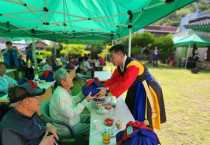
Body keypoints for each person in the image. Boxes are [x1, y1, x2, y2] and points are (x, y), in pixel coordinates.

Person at [96, 44, 166, 130]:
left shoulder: (133, 64)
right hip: (135, 88)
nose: (110, 60)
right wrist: (100, 88)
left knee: (143, 115)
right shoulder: (120, 67)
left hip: (146, 89)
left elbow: (124, 83)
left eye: (112, 57)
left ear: (121, 56)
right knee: (131, 110)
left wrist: (106, 91)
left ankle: (143, 136)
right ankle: (133, 131)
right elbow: (113, 80)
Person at [49, 69, 96, 137]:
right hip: (67, 127)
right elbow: (71, 114)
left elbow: (71, 100)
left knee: (93, 117)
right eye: (69, 78)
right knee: (94, 127)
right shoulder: (60, 95)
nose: (71, 79)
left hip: (72, 120)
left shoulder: (63, 90)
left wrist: (83, 94)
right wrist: (86, 100)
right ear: (63, 82)